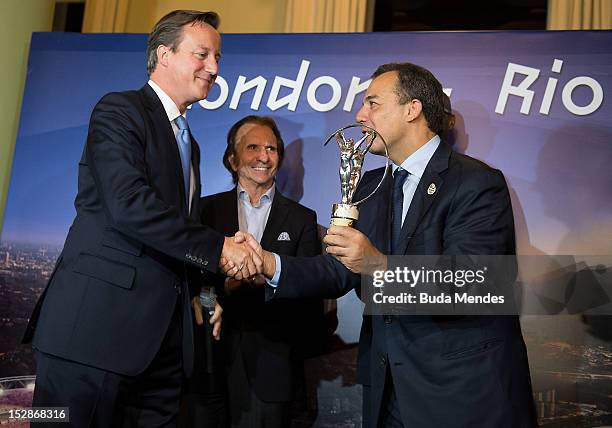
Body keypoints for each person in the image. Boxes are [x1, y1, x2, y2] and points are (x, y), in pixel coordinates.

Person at [242, 63, 537, 427]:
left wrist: (377, 265)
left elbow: (475, 284)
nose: (359, 115)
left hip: (460, 393)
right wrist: (269, 263)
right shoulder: (368, 186)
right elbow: (336, 268)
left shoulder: (476, 183)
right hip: (388, 391)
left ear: (412, 109)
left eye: (373, 103)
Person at [22, 10, 259, 427]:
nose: (214, 68)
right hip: (90, 341)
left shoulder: (191, 144)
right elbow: (130, 204)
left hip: (162, 352)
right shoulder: (119, 111)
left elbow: (177, 239)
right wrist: (220, 247)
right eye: (202, 54)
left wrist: (205, 297)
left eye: (218, 58)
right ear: (164, 54)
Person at [183, 115, 323, 428]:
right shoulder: (203, 212)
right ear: (232, 159)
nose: (263, 156)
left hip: (270, 367)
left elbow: (310, 294)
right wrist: (221, 291)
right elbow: (194, 284)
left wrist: (266, 280)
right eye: (253, 147)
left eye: (272, 149)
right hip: (210, 362)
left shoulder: (303, 219)